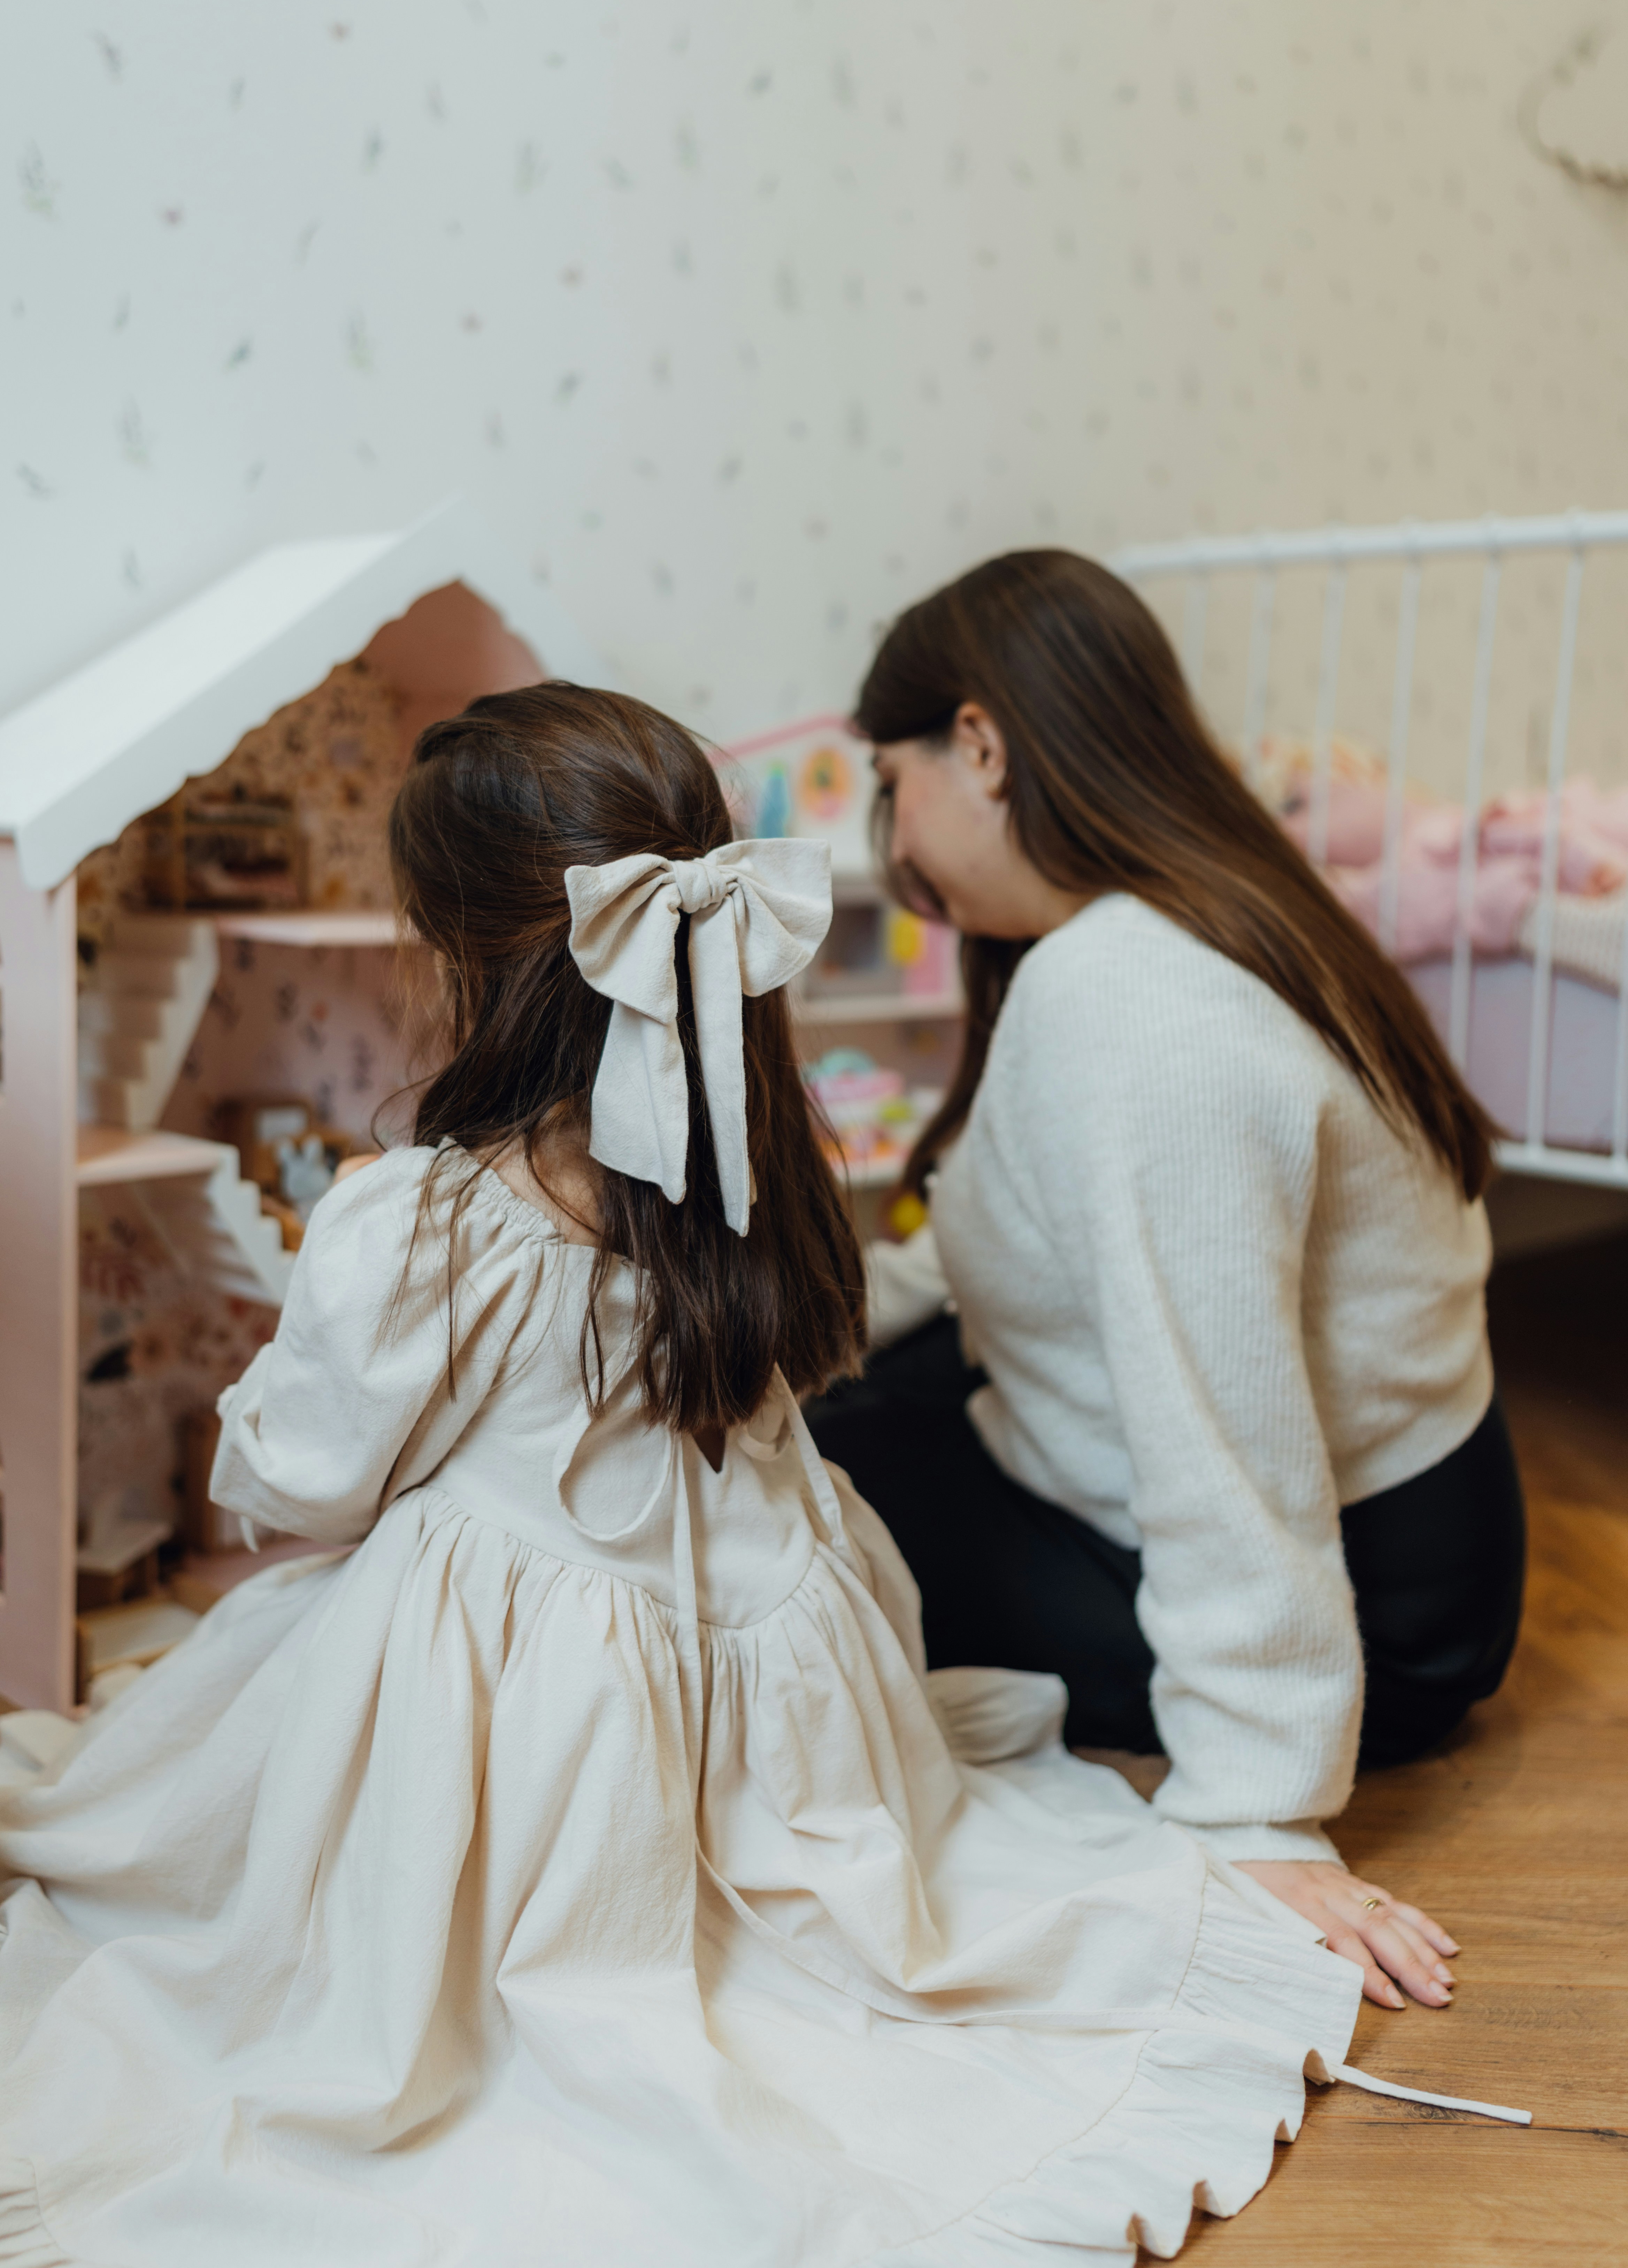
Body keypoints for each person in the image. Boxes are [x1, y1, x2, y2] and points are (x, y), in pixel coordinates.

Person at [0, 682, 1365, 2267]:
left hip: (547, 1705)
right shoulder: (761, 1151)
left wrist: (250, 1435)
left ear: (453, 954)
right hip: (780, 1664)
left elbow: (308, 1480)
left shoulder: (424, 1219)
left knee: (261, 1708)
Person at [805, 549, 1522, 2020]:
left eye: (897, 779)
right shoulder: (1203, 908)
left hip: (1378, 1605)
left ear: (982, 745)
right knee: (847, 1393)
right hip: (1423, 1517)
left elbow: (1223, 1416)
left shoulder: (1130, 1002)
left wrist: (1253, 1811)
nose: (898, 831)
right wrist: (833, 1324)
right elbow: (1010, 1228)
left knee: (800, 1489)